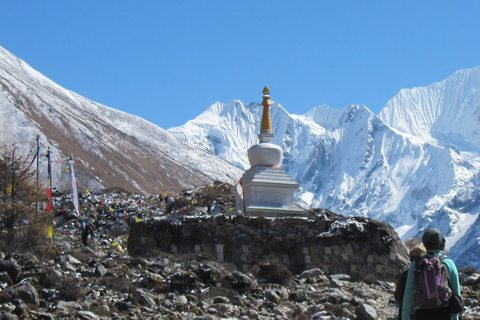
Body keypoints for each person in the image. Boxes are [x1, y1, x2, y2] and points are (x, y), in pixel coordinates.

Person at [401, 228, 461, 320]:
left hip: (422, 312)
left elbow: (408, 295)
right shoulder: (449, 263)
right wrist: (455, 317)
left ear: (425, 243)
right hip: (444, 311)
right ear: (441, 243)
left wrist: (405, 317)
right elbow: (456, 294)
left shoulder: (416, 264)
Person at [395, 245, 427, 319]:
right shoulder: (431, 273)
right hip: (426, 312)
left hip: (408, 314)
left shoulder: (405, 274)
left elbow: (398, 296)